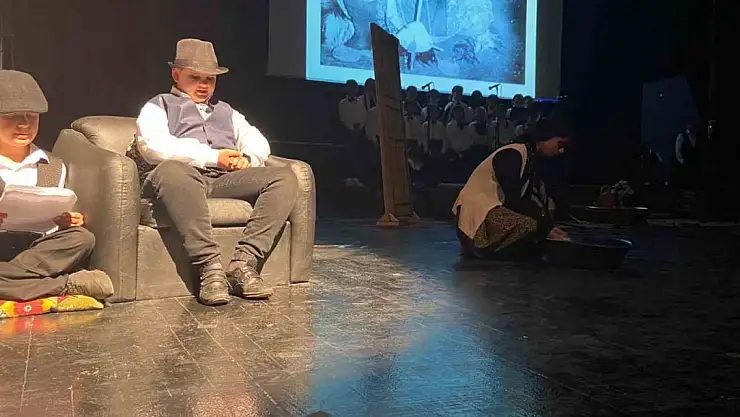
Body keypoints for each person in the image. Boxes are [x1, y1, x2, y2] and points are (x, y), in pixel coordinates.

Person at [133, 39, 299, 305]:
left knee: (284, 176)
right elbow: (153, 146)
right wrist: (213, 157)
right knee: (174, 170)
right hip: (180, 178)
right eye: (195, 77)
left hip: (221, 180)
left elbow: (257, 140)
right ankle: (209, 269)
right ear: (176, 74)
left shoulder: (227, 111)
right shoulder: (158, 105)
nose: (204, 85)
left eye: (210, 79)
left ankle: (243, 264)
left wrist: (247, 158)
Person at [0, 70, 113, 302]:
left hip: (34, 249)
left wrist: (64, 221)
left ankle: (11, 280)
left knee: (81, 238)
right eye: (12, 116)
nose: (24, 124)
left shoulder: (51, 164)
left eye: (32, 116)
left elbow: (50, 217)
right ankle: (64, 285)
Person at [453, 116, 571, 260]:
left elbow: (533, 198)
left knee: (533, 229)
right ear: (544, 138)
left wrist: (550, 228)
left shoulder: (528, 158)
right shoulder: (513, 153)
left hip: (488, 213)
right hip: (478, 216)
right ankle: (482, 247)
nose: (561, 150)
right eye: (559, 144)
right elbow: (515, 199)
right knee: (529, 225)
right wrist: (545, 230)